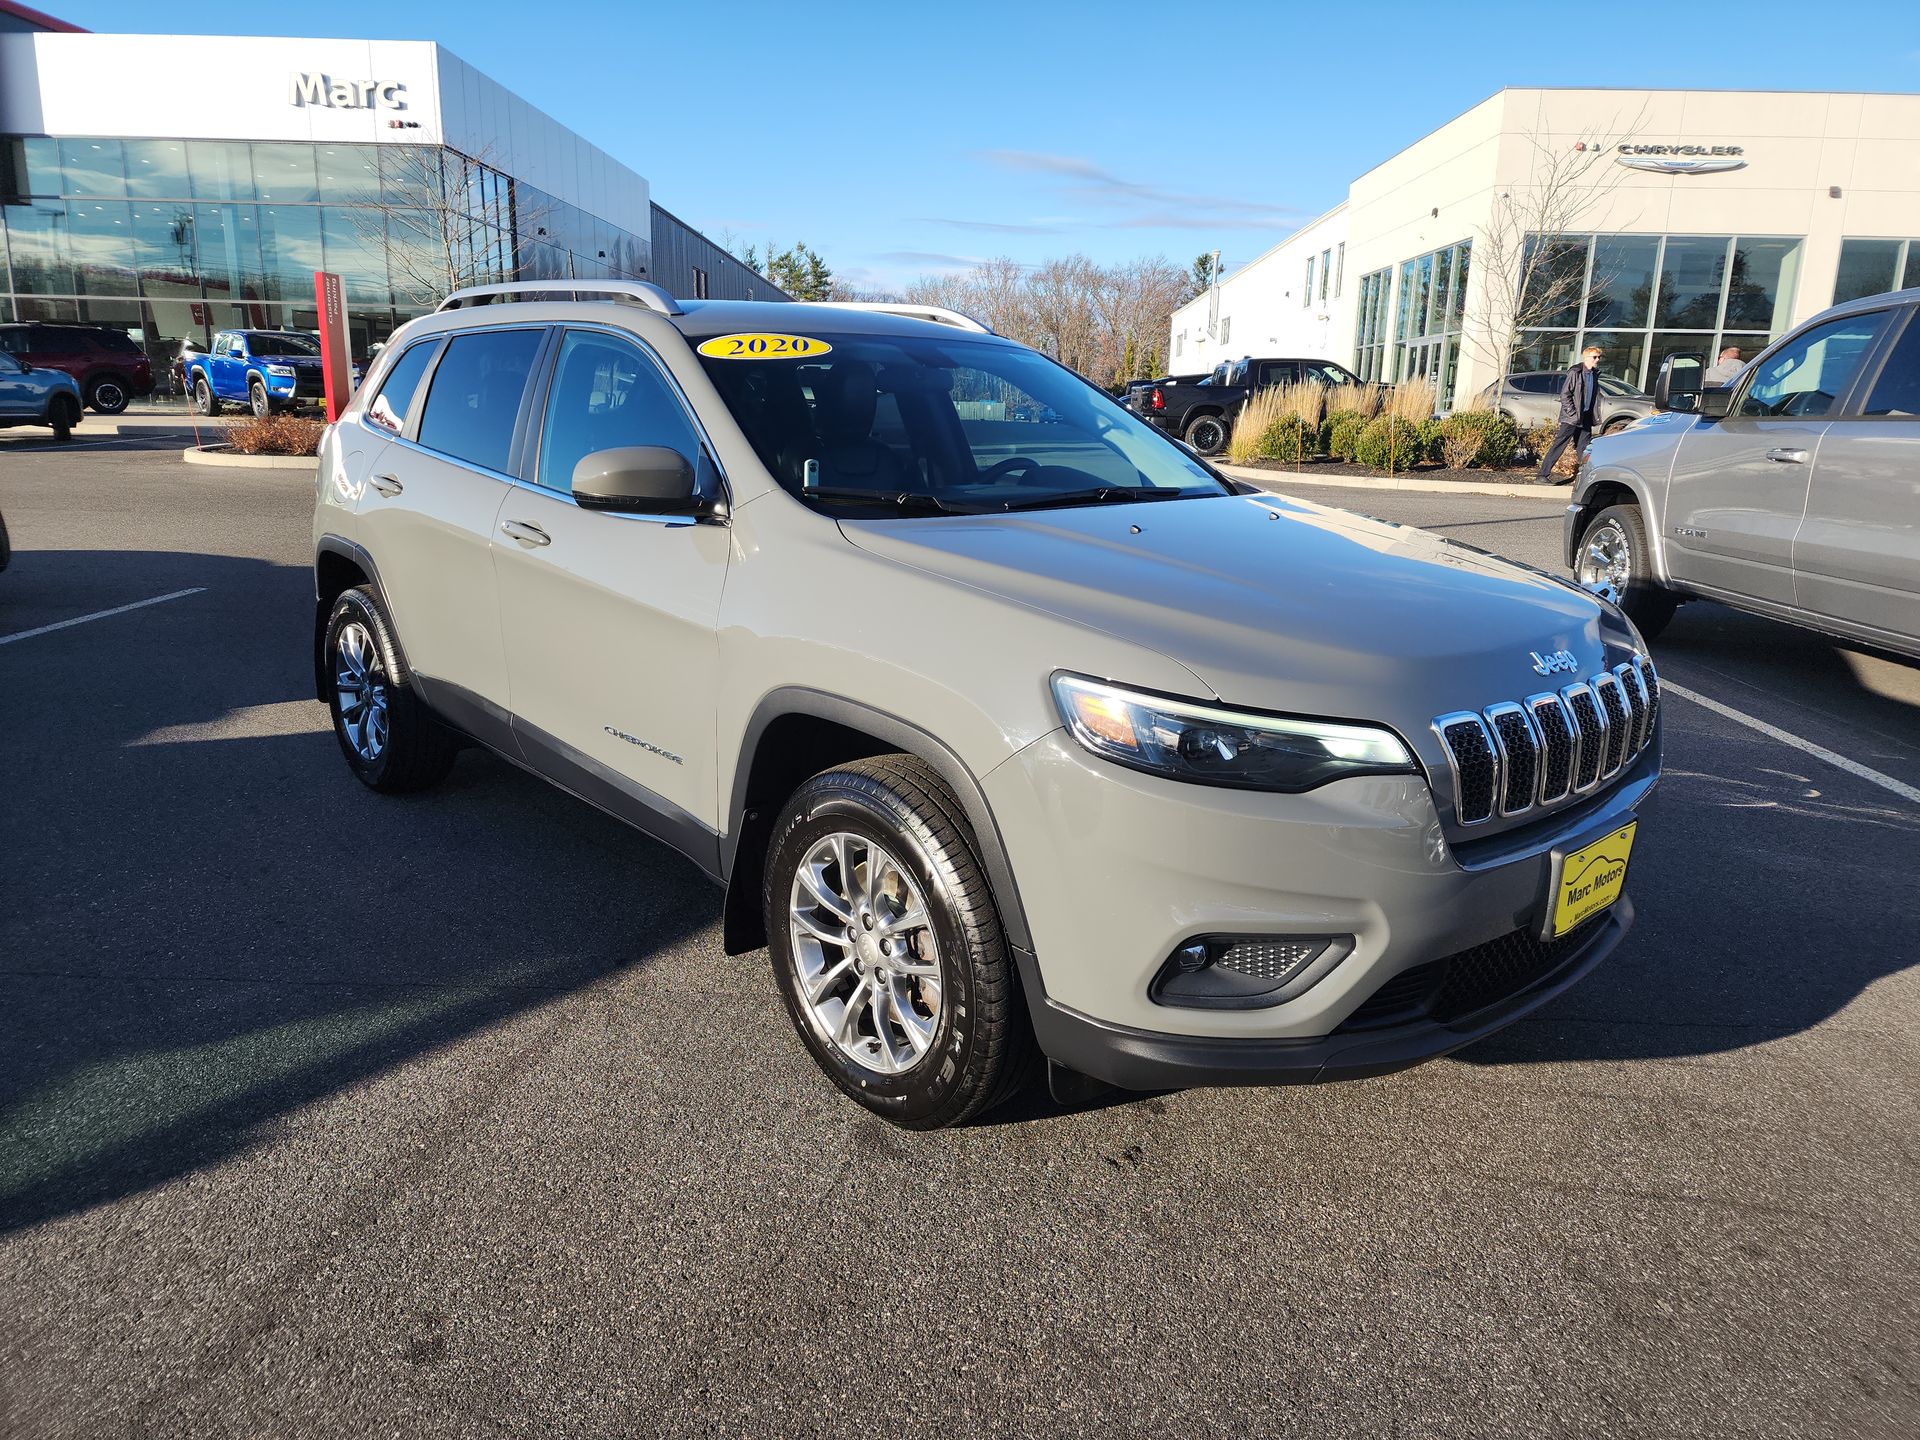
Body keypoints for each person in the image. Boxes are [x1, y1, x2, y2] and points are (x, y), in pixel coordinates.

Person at [1535, 345, 1604, 485]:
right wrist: (1572, 413)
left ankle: (1585, 477)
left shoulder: (1594, 374)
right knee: (1559, 444)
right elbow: (1565, 394)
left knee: (1584, 448)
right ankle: (1542, 475)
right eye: (1594, 357)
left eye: (1598, 357)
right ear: (1586, 358)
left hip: (1585, 417)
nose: (1597, 360)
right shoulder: (1575, 372)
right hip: (1572, 418)